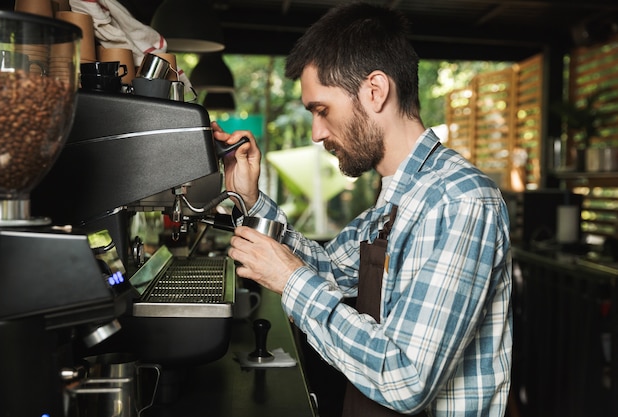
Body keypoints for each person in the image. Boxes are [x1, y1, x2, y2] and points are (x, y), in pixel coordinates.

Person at [212, 2, 513, 416]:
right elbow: (327, 267)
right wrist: (250, 199)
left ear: (375, 91)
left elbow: (405, 378)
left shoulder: (457, 200)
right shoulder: (396, 198)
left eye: (322, 110)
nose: (317, 132)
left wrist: (290, 279)